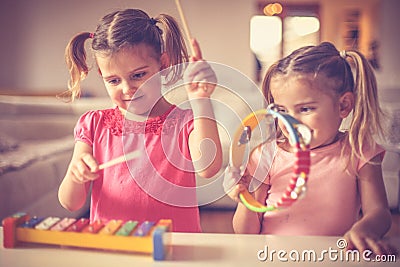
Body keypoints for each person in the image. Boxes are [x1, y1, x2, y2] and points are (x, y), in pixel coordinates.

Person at [58, 9, 222, 233]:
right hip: (114, 247)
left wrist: (201, 99)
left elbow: (209, 168)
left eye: (138, 75)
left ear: (163, 65)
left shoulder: (185, 122)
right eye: (114, 80)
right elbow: (70, 202)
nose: (127, 89)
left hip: (175, 247)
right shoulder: (94, 125)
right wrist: (76, 174)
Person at [225, 42, 394, 254]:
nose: (290, 122)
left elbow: (379, 212)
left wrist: (364, 229)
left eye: (305, 109)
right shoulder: (265, 156)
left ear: (343, 105)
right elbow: (245, 233)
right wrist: (245, 198)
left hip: (333, 257)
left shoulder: (360, 151)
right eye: (281, 110)